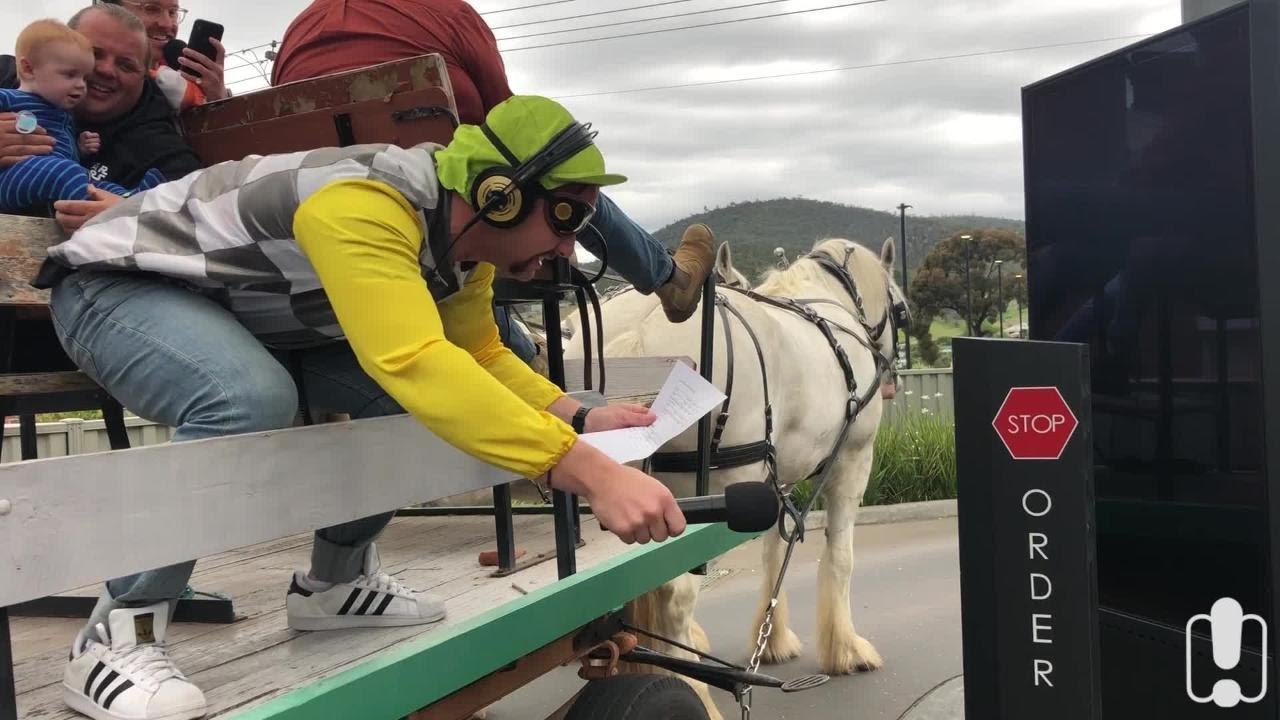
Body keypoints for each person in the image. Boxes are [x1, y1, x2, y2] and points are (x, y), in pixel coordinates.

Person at [35, 94, 687, 720]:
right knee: (246, 398)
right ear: (498, 193)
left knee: (406, 407)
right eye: (568, 217)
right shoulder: (366, 202)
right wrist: (592, 472)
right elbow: (413, 359)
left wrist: (574, 415)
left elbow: (477, 353)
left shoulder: (465, 244)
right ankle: (116, 636)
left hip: (244, 314)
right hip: (115, 287)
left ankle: (335, 586)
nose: (570, 248)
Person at [271, 0, 716, 338]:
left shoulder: (298, 33)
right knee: (558, 177)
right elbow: (516, 134)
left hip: (306, 245)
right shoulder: (444, 13)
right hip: (444, 225)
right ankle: (667, 278)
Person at [0, 4, 203, 230]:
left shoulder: (160, 150)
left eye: (126, 65)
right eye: (95, 54)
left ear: (145, 77)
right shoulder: (8, 73)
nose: (106, 70)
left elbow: (191, 222)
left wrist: (135, 216)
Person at [0, 19, 165, 211]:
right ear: (28, 69)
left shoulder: (63, 113)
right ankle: (95, 210)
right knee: (67, 173)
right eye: (70, 75)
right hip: (12, 176)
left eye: (84, 78)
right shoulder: (10, 96)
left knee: (91, 180)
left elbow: (58, 146)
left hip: (50, 174)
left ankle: (132, 201)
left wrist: (79, 147)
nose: (81, 85)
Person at [100, 0, 229, 111]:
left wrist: (217, 100)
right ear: (113, 11)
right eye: (151, 9)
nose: (167, 24)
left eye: (172, 12)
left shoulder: (179, 75)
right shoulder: (89, 77)